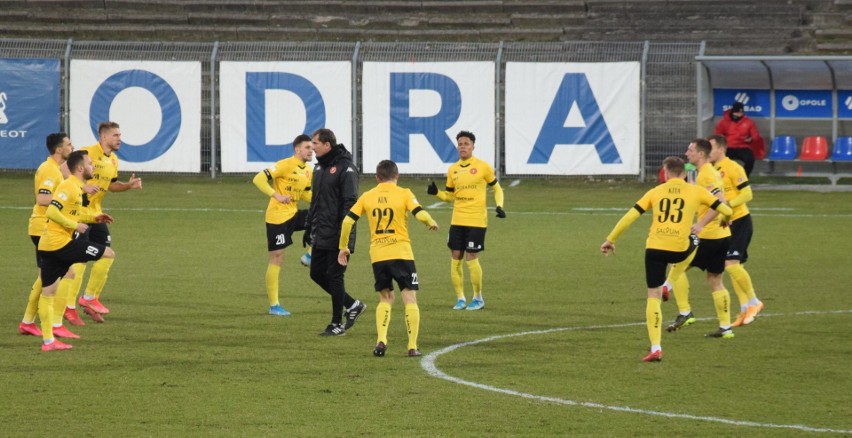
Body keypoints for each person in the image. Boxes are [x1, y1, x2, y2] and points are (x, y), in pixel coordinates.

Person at [600, 156, 732, 362]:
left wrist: (611, 239)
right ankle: (669, 283)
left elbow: (630, 217)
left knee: (652, 297)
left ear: (666, 172)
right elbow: (726, 208)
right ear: (685, 173)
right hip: (680, 249)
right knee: (696, 239)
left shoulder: (655, 192)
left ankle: (656, 348)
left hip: (654, 249)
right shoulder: (696, 190)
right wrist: (726, 219)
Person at [337, 160, 439, 357]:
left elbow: (348, 221)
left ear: (377, 177)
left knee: (385, 298)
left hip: (378, 255)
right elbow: (419, 213)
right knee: (409, 298)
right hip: (401, 253)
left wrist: (343, 248)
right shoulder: (404, 193)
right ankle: (412, 346)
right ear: (397, 175)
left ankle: (381, 341)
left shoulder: (368, 196)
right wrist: (430, 221)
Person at [37, 150, 116, 351]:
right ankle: (88, 298)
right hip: (62, 245)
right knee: (108, 253)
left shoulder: (77, 187)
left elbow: (73, 211)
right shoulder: (68, 186)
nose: (93, 167)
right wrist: (73, 225)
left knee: (48, 292)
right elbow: (53, 210)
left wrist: (93, 218)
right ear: (80, 168)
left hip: (48, 245)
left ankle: (48, 341)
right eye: (90, 164)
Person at [67, 121, 142, 323]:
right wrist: (81, 188)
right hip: (79, 214)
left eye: (120, 135)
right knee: (80, 260)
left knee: (106, 254)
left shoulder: (114, 160)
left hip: (96, 214)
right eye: (116, 135)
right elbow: (65, 172)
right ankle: (69, 307)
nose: (119, 139)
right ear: (103, 137)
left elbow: (111, 185)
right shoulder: (85, 153)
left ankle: (89, 298)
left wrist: (128, 186)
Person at [661, 139, 735, 339]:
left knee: (676, 264)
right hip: (722, 236)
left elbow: (720, 201)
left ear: (701, 154)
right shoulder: (709, 173)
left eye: (690, 150)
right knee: (715, 279)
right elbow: (725, 204)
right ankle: (726, 327)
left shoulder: (706, 175)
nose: (687, 154)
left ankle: (684, 312)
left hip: (707, 237)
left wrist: (701, 223)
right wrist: (726, 218)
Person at [427, 130, 505, 311]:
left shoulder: (483, 167)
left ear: (473, 146)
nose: (463, 146)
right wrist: (436, 193)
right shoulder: (452, 169)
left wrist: (499, 206)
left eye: (466, 144)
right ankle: (460, 298)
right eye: (460, 144)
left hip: (477, 220)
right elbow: (449, 196)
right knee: (455, 257)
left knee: (471, 257)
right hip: (457, 220)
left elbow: (497, 188)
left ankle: (478, 298)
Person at [306, 128, 366, 336]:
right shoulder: (319, 169)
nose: (312, 147)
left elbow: (350, 203)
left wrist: (346, 238)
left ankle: (336, 323)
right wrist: (308, 226)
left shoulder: (346, 168)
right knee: (316, 273)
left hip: (339, 233)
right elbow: (315, 200)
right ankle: (352, 304)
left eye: (315, 143)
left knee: (335, 276)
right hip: (321, 230)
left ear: (327, 145)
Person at [19, 133, 77, 338]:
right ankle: (54, 324)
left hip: (45, 228)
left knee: (47, 276)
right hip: (43, 228)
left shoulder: (55, 169)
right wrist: (66, 199)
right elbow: (43, 199)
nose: (72, 146)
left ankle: (29, 322)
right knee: (66, 274)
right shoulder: (49, 170)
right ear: (59, 149)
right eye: (69, 144)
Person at [252, 134, 314, 316]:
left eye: (312, 147)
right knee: (277, 258)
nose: (311, 151)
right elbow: (258, 179)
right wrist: (276, 195)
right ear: (297, 149)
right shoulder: (285, 164)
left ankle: (310, 255)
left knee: (321, 216)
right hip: (277, 217)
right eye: (307, 148)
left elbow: (305, 194)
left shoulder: (309, 170)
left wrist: (322, 201)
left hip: (293, 213)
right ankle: (274, 305)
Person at [709, 134, 764, 325]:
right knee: (734, 267)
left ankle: (754, 302)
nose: (708, 152)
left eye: (711, 148)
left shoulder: (733, 167)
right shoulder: (712, 170)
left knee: (731, 264)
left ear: (721, 149)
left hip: (740, 221)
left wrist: (728, 207)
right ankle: (744, 309)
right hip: (725, 224)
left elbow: (747, 193)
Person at [714, 101, 764, 176]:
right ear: (733, 112)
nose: (739, 115)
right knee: (719, 160)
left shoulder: (748, 122)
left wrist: (751, 138)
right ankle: (720, 177)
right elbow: (718, 134)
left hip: (743, 146)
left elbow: (755, 135)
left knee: (750, 159)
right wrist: (723, 142)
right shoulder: (724, 122)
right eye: (737, 113)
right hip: (728, 147)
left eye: (741, 113)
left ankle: (744, 178)